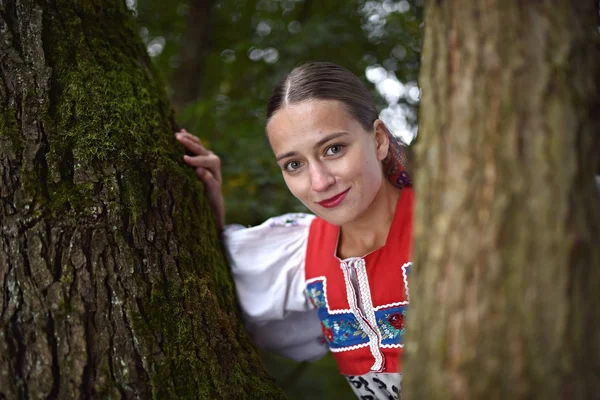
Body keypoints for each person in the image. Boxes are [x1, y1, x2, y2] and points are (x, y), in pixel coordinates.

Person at [176, 62, 412, 399]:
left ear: (377, 139)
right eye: (294, 165)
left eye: (334, 149)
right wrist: (200, 202)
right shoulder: (302, 250)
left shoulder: (450, 225)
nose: (320, 182)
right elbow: (221, 282)